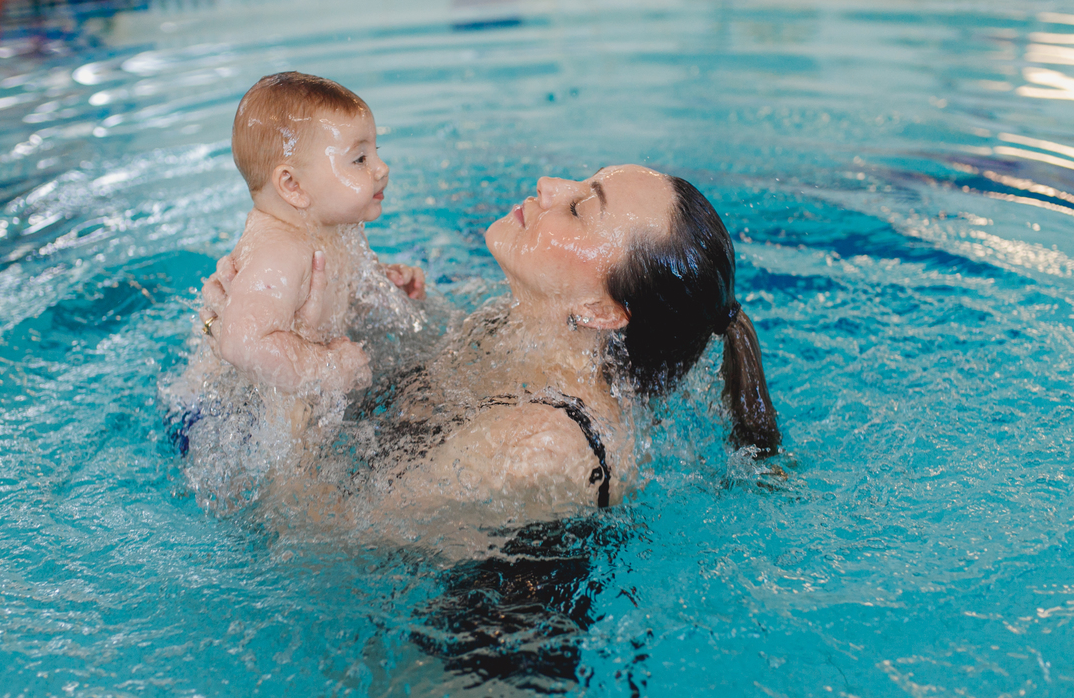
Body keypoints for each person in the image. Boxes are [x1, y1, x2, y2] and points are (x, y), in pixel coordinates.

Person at [200, 164, 781, 515]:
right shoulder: (517, 319)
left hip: (470, 657)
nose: (549, 185)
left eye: (579, 207)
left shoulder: (545, 445)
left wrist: (297, 366)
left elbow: (311, 540)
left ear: (602, 310)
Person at [206, 71, 425, 396]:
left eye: (375, 152)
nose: (382, 168)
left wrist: (382, 284)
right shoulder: (280, 251)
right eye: (360, 159)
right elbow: (241, 344)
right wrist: (326, 367)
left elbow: (337, 292)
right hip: (206, 411)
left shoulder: (335, 228)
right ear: (292, 186)